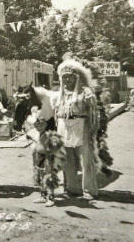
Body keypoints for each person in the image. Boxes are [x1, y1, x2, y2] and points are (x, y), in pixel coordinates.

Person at [54, 59, 100, 201]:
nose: (67, 79)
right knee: (67, 159)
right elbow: (56, 112)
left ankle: (89, 190)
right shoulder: (60, 93)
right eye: (64, 77)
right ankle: (72, 188)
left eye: (70, 76)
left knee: (86, 159)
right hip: (63, 126)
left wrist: (92, 129)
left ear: (76, 77)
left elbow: (93, 112)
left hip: (82, 125)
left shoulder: (85, 92)